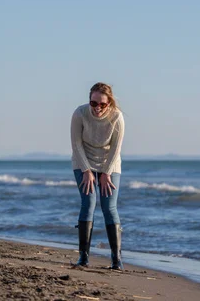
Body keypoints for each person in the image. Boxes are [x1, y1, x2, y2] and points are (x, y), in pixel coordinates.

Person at [70, 82, 125, 270]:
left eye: (102, 104)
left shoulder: (117, 117)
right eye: (94, 103)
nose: (98, 108)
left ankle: (116, 260)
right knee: (89, 202)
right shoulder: (80, 113)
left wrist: (106, 173)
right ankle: (83, 257)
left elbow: (116, 149)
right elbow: (76, 144)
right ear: (89, 101)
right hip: (83, 160)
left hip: (109, 163)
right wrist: (86, 171)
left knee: (109, 206)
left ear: (109, 103)